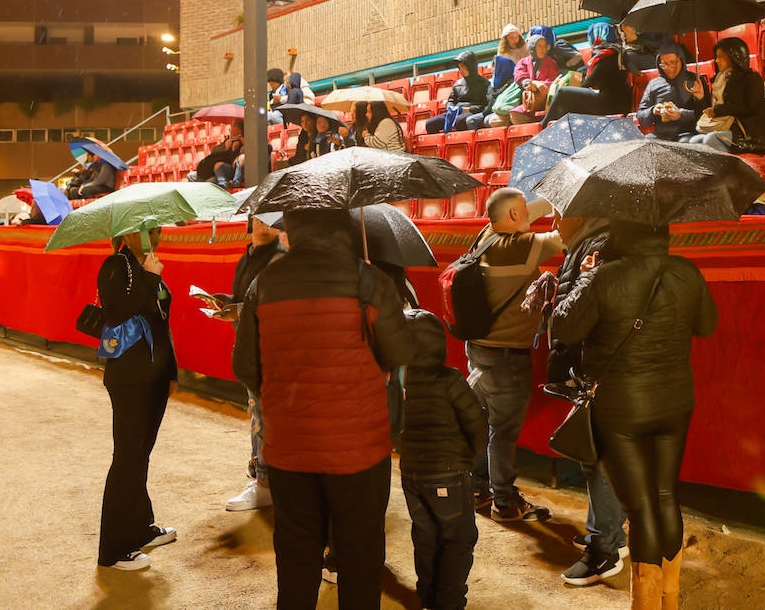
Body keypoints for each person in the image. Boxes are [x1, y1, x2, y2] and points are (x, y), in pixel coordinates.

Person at [238, 209, 414, 610]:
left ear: (290, 233)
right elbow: (401, 351)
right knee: (360, 554)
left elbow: (245, 367)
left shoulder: (263, 283)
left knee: (296, 553)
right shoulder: (368, 278)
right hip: (359, 448)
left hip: (288, 446)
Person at [551, 220, 718, 609]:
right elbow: (706, 326)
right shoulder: (687, 271)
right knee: (665, 498)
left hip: (621, 407)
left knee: (641, 512)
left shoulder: (603, 277)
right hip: (675, 401)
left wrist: (583, 280)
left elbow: (564, 327)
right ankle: (669, 601)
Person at [467, 188, 563, 521]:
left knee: (481, 422)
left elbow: (514, 211)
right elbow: (567, 236)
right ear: (512, 216)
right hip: (506, 357)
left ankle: (478, 489)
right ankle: (505, 503)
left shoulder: (485, 236)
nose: (529, 213)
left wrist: (551, 198)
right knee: (503, 430)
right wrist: (570, 200)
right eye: (523, 210)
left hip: (478, 350)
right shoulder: (521, 247)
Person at [543, 215, 629, 586]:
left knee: (600, 459)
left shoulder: (601, 248)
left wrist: (559, 313)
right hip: (607, 366)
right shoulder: (594, 245)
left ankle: (605, 549)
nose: (556, 221)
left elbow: (578, 318)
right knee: (600, 456)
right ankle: (611, 535)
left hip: (605, 368)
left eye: (562, 214)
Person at [97, 226, 178, 572]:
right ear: (127, 233)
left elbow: (160, 321)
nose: (153, 236)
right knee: (128, 457)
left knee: (141, 454)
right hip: (129, 377)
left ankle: (140, 527)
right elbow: (117, 313)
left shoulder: (149, 265)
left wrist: (171, 372)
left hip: (154, 375)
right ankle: (113, 549)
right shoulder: (115, 265)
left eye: (157, 230)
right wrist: (148, 277)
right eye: (146, 231)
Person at [398, 308, 488, 610]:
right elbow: (476, 423)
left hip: (411, 473)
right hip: (449, 472)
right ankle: (448, 602)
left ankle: (427, 595)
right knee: (458, 539)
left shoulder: (398, 384)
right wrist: (470, 455)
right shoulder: (451, 379)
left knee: (425, 536)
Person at [227, 214, 287, 512]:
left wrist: (239, 309)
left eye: (271, 222)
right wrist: (227, 304)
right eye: (259, 221)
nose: (265, 227)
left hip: (268, 348)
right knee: (256, 414)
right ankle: (262, 478)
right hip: (249, 342)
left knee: (262, 417)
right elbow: (244, 298)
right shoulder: (247, 257)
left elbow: (268, 303)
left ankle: (264, 483)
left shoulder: (280, 259)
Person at [684, 36, 765, 153]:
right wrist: (701, 98)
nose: (716, 60)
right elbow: (712, 111)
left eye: (720, 57)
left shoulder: (752, 78)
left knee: (711, 139)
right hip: (728, 128)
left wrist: (718, 110)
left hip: (749, 134)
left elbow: (750, 107)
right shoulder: (721, 80)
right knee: (695, 141)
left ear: (733, 57)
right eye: (716, 57)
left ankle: (729, 170)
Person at [542, 23, 633, 124]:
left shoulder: (607, 55)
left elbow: (589, 83)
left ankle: (543, 125)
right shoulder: (616, 53)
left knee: (563, 93)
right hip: (617, 103)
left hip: (610, 104)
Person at [636, 43, 709, 142]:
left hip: (687, 134)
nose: (669, 67)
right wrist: (653, 111)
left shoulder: (695, 80)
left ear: (680, 60)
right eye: (664, 64)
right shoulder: (654, 84)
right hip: (661, 135)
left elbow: (706, 115)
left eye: (672, 62)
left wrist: (681, 115)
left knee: (685, 144)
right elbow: (641, 118)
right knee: (644, 144)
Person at [497, 33, 559, 126]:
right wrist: (530, 83)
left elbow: (554, 81)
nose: (543, 49)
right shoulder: (523, 62)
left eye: (544, 46)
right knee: (515, 114)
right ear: (532, 48)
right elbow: (519, 77)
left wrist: (538, 85)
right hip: (529, 101)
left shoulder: (551, 63)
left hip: (545, 101)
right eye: (539, 46)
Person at [426, 51, 489, 134]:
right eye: (459, 67)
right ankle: (443, 144)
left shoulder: (484, 83)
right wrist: (451, 108)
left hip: (471, 113)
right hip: (455, 113)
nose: (461, 70)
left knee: (459, 121)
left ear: (470, 66)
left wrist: (466, 109)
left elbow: (485, 106)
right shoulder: (457, 84)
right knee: (430, 123)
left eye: (463, 66)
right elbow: (451, 100)